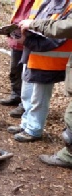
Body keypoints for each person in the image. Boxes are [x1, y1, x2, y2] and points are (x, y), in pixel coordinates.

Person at [7, 0, 72, 143]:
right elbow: (34, 24)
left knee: (39, 98)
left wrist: (27, 41)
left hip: (49, 61)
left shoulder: (69, 6)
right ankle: (26, 124)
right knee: (27, 95)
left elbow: (58, 36)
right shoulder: (45, 2)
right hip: (32, 56)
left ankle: (34, 130)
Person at [18, 8, 72, 168]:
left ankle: (68, 156)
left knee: (69, 117)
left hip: (48, 61)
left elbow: (63, 28)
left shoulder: (67, 7)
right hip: (37, 57)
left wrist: (33, 27)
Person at [0, 0, 35, 118]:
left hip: (31, 41)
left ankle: (25, 104)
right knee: (14, 70)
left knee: (28, 75)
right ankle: (16, 95)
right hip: (17, 40)